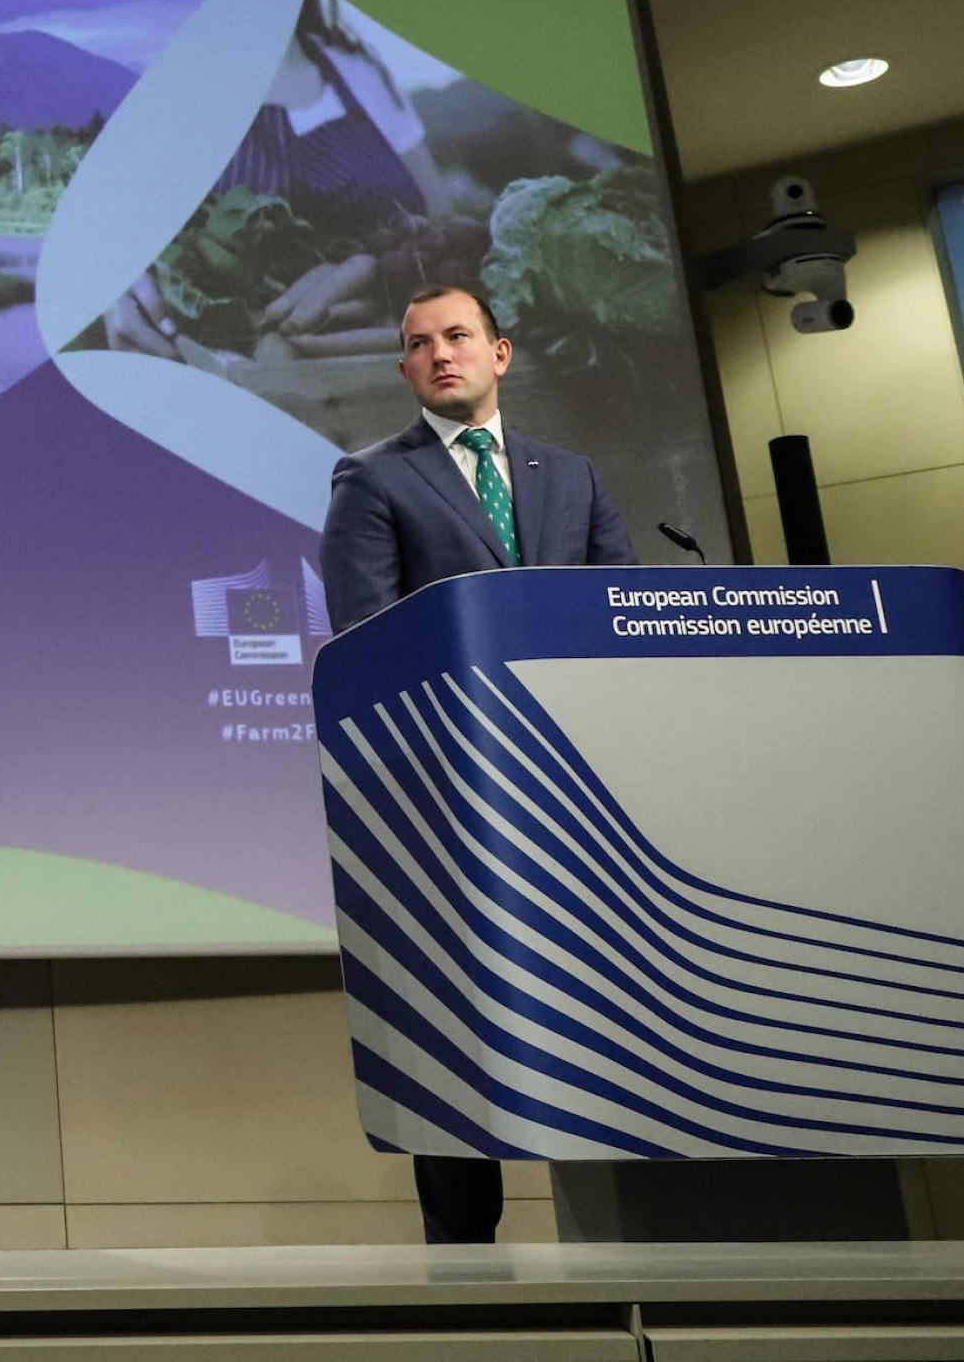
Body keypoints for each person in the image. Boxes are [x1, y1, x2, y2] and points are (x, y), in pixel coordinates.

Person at [320, 284, 634, 1244]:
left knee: (608, 1014)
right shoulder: (371, 478)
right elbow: (368, 638)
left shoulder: (570, 475)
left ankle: (631, 1225)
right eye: (418, 344)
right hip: (448, 806)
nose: (439, 354)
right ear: (406, 369)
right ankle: (466, 1266)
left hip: (584, 798)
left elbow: (620, 624)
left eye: (458, 336)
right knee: (459, 1032)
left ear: (503, 352)